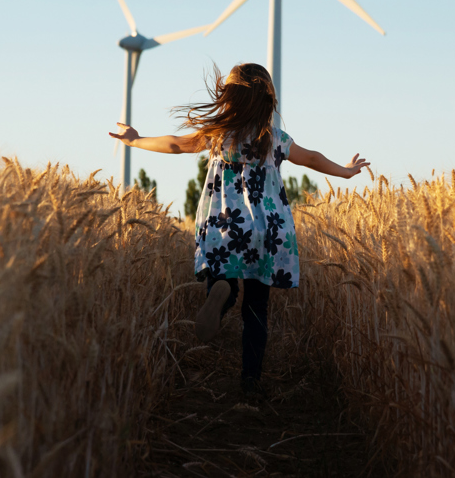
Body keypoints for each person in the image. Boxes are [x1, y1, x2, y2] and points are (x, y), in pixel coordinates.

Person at [108, 62, 369, 395]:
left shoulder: (219, 134)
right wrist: (345, 171)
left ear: (229, 97)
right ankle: (251, 380)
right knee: (257, 307)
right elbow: (313, 158)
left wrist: (136, 140)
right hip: (267, 231)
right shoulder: (274, 138)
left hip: (225, 226)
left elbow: (178, 144)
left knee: (225, 279)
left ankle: (222, 294)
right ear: (268, 100)